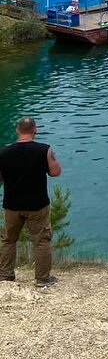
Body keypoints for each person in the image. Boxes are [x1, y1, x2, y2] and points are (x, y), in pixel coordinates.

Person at [0, 117, 63, 288]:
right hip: (37, 205)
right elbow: (56, 172)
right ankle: (42, 279)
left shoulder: (3, 152)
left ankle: (6, 276)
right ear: (35, 129)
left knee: (8, 240)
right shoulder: (44, 150)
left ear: (17, 130)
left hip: (11, 205)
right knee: (41, 240)